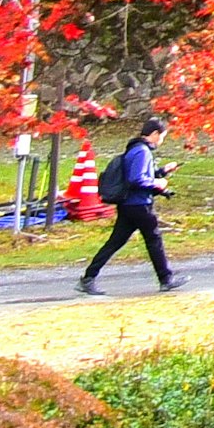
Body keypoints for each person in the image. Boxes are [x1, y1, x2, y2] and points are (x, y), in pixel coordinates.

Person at [78, 118, 184, 295]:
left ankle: (88, 278)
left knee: (115, 242)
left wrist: (163, 171)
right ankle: (166, 279)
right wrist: (158, 183)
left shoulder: (135, 149)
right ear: (155, 134)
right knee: (154, 240)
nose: (162, 141)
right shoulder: (142, 151)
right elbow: (137, 179)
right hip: (139, 205)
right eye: (162, 136)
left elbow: (140, 175)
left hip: (128, 205)